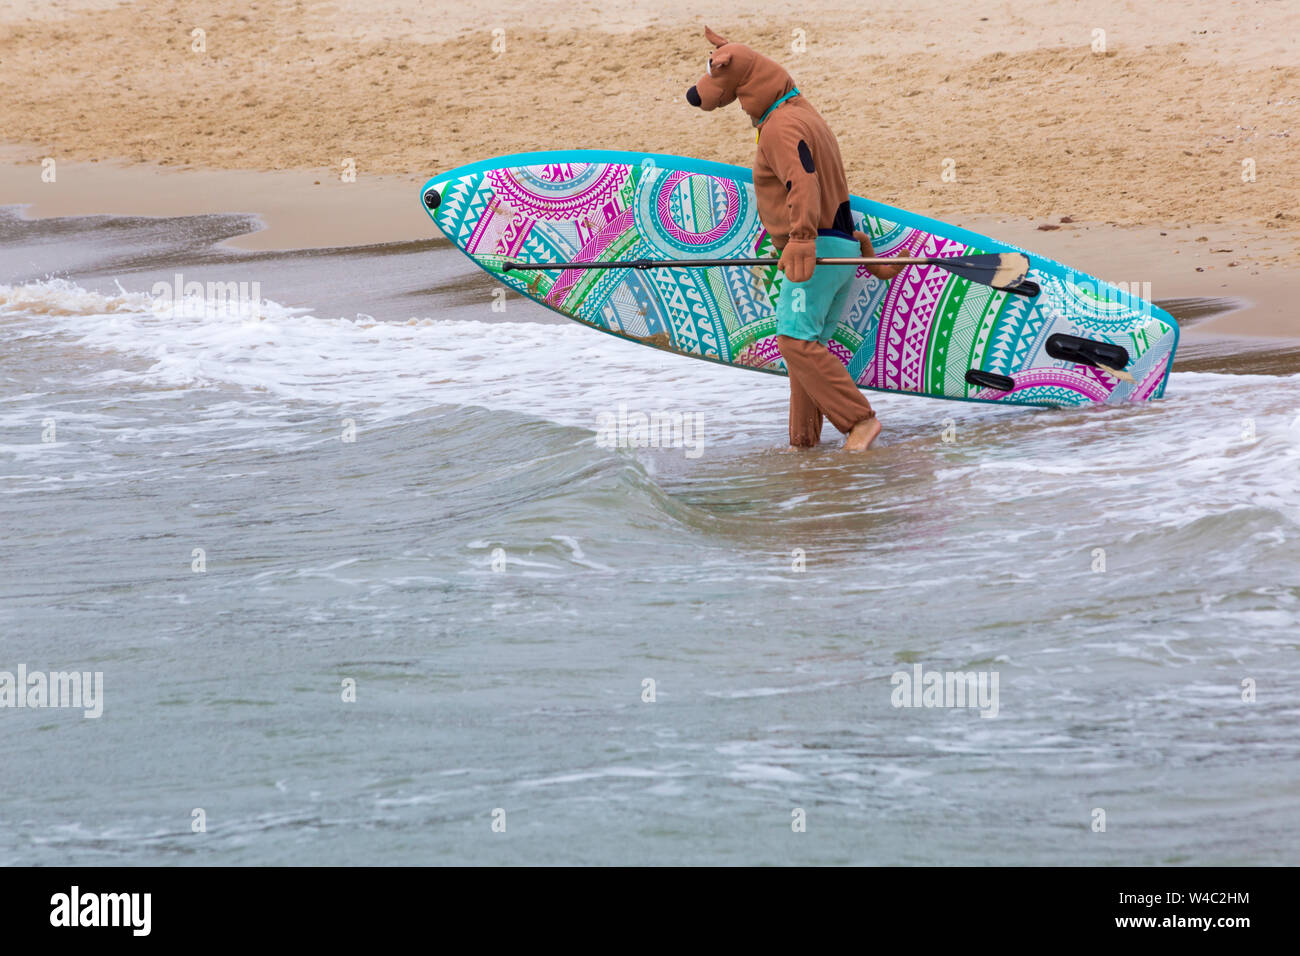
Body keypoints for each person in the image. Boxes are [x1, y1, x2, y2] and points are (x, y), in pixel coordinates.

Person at [686, 26, 901, 451]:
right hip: (838, 248)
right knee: (807, 351)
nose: (703, 93)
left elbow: (803, 184)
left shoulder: (780, 127)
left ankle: (859, 421)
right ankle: (804, 446)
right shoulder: (804, 114)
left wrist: (800, 239)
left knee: (794, 342)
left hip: (815, 253)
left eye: (716, 81)